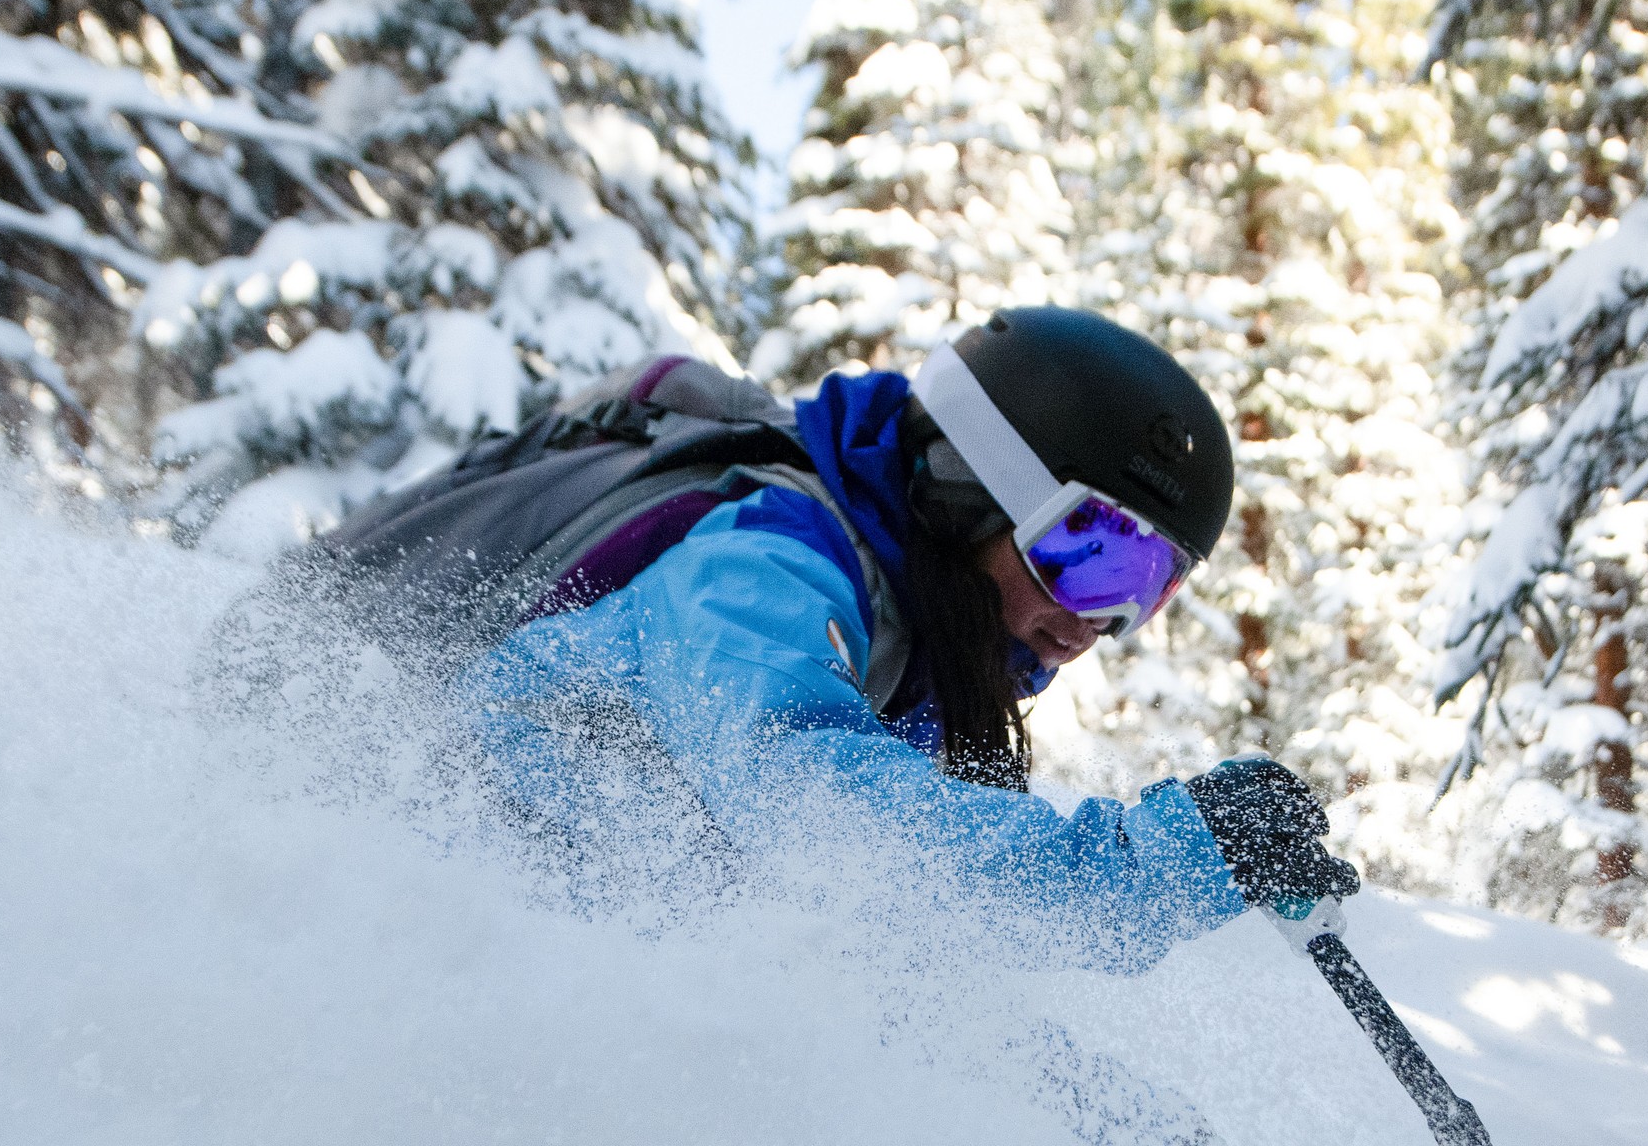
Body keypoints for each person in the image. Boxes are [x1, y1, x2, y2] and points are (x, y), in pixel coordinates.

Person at [460, 307, 1359, 969]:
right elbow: (812, 811)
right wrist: (1142, 870)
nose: (1098, 624)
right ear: (973, 486)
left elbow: (876, 965)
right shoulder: (759, 571)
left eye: (1145, 588)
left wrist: (1114, 1128)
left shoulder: (905, 668)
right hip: (461, 936)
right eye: (1089, 554)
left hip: (583, 974)